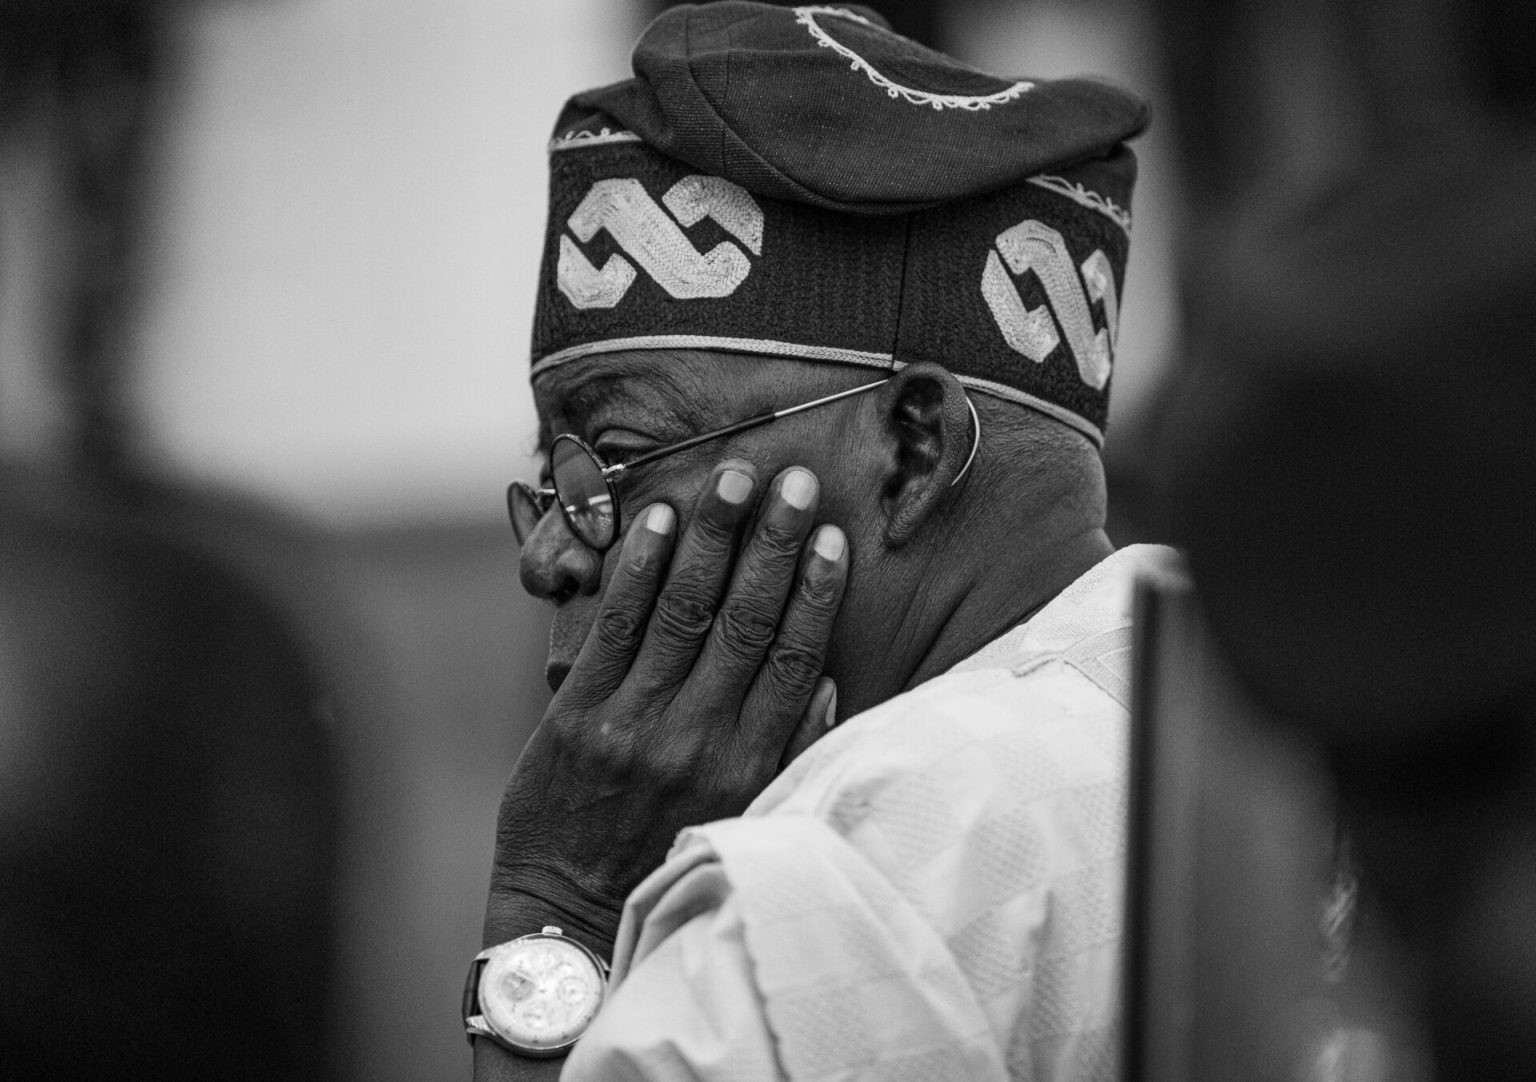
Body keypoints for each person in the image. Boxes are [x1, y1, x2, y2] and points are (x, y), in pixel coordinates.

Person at [470, 4, 1167, 1078]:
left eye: (611, 458)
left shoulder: (836, 879)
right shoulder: (1223, 697)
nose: (550, 553)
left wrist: (557, 902)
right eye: (549, 476)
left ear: (914, 451)